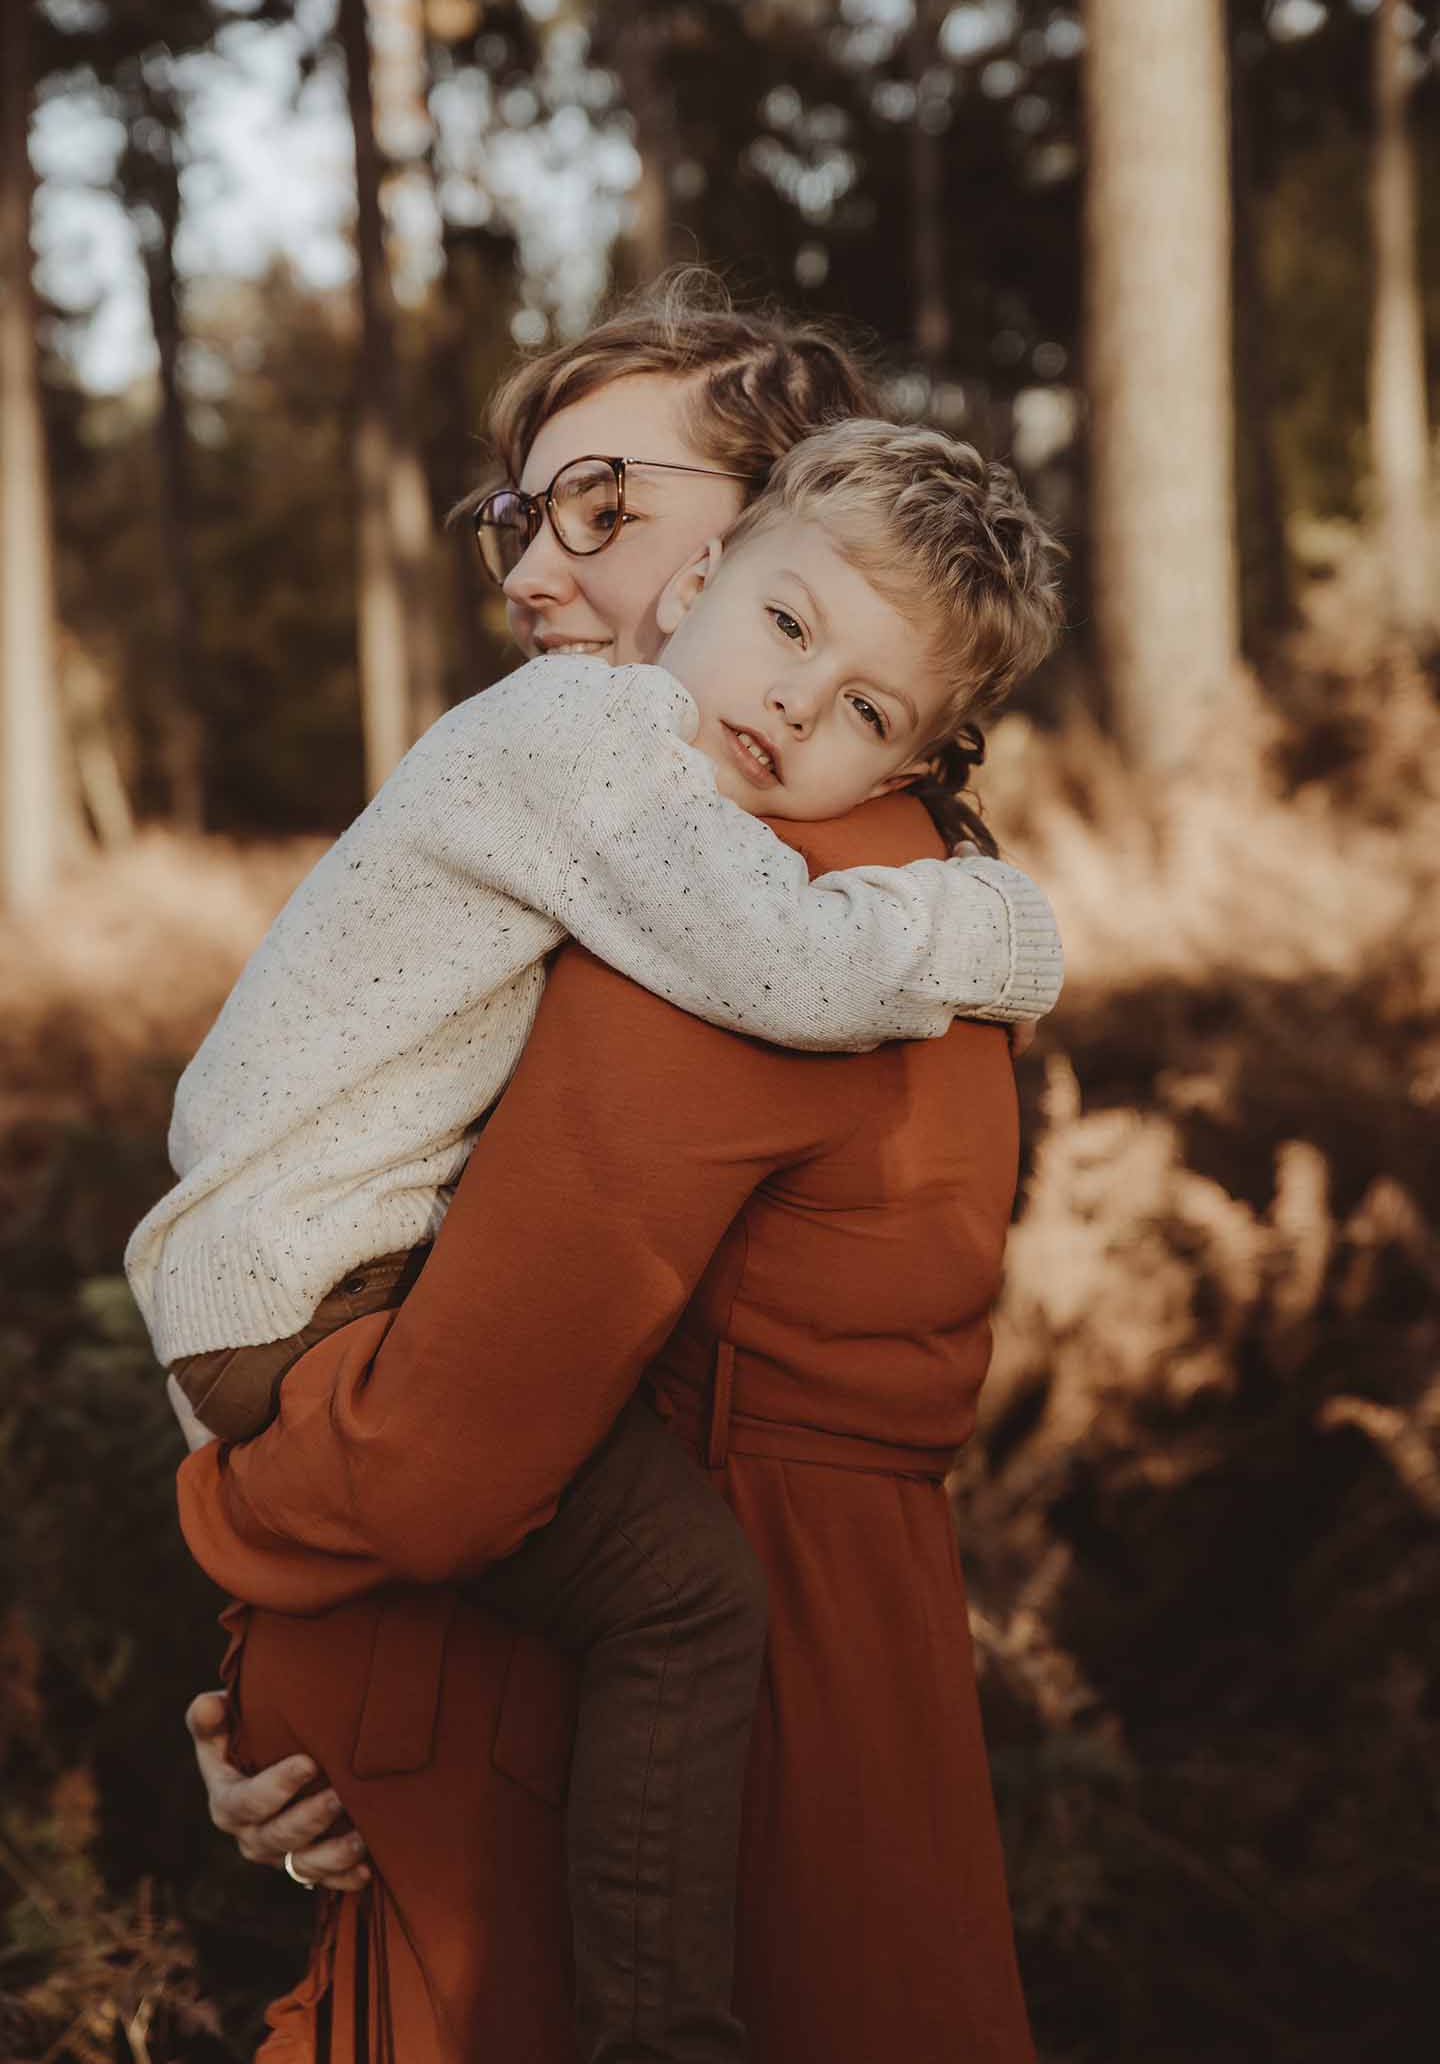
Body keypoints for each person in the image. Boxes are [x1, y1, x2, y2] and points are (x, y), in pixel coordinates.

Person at [176, 276, 1057, 2059]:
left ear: (779, 507)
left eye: (602, 506)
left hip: (694, 1758)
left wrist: (239, 1531)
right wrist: (272, 1695)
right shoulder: (721, 848)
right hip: (574, 1739)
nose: (529, 573)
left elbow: (438, 1466)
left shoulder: (761, 901)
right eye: (518, 515)